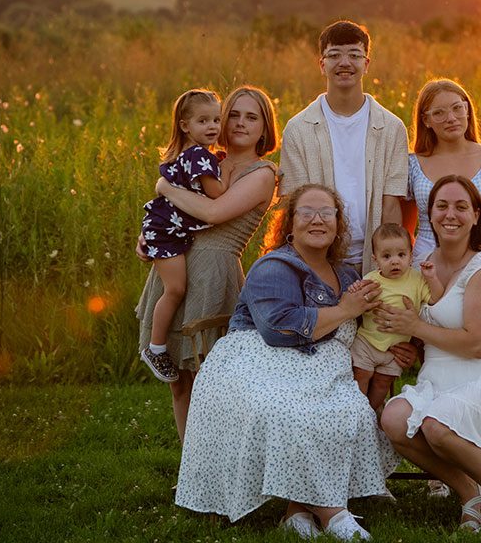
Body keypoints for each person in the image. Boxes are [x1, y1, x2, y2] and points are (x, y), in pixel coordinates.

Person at [176, 184, 398, 540]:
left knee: (349, 410)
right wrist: (344, 310)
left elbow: (371, 324)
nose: (317, 220)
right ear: (289, 224)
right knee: (285, 411)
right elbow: (279, 330)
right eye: (307, 212)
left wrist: (396, 345)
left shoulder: (347, 276)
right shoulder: (274, 266)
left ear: (339, 225)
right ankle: (333, 513)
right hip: (260, 360)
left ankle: (297, 511)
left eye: (327, 213)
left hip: (323, 364)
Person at [378, 175, 481, 534]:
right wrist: (409, 344)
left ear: (476, 215)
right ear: (430, 213)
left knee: (437, 426)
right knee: (393, 419)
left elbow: (475, 344)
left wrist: (419, 327)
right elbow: (423, 317)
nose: (449, 214)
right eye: (441, 206)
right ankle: (469, 492)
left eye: (460, 207)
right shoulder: (423, 263)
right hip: (441, 375)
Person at [135, 85, 279, 442]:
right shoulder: (204, 159)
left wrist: (165, 188)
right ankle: (190, 472)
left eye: (252, 117)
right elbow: (176, 214)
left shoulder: (263, 174)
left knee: (210, 381)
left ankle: (221, 466)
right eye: (234, 114)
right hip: (177, 261)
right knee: (179, 382)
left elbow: (214, 212)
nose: (241, 123)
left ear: (265, 127)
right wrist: (150, 238)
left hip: (215, 276)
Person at [280, 20, 409, 276]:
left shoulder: (392, 127)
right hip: (318, 260)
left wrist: (385, 269)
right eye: (334, 55)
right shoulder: (298, 128)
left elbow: (392, 205)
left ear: (366, 64)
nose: (344, 63)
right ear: (322, 64)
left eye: (354, 55)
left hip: (375, 260)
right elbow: (294, 206)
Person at [138, 88, 227, 382]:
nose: (212, 127)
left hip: (167, 228)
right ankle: (156, 347)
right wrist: (231, 175)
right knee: (175, 289)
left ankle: (158, 345)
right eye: (203, 121)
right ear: (185, 125)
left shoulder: (197, 155)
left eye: (216, 119)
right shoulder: (199, 156)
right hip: (166, 231)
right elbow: (217, 195)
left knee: (176, 289)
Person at [404, 78, 481, 266]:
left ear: (467, 110)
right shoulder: (413, 165)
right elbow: (405, 230)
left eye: (457, 108)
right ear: (426, 120)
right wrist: (415, 266)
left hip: (477, 260)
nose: (451, 118)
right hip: (425, 264)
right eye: (439, 113)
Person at [349, 223, 443, 413]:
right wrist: (356, 291)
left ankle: (370, 412)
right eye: (387, 256)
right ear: (376, 260)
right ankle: (356, 410)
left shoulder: (416, 279)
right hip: (368, 341)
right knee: (362, 374)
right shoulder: (372, 279)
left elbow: (436, 298)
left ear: (410, 256)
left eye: (401, 255)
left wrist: (432, 278)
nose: (395, 261)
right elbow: (358, 302)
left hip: (396, 348)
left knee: (383, 384)